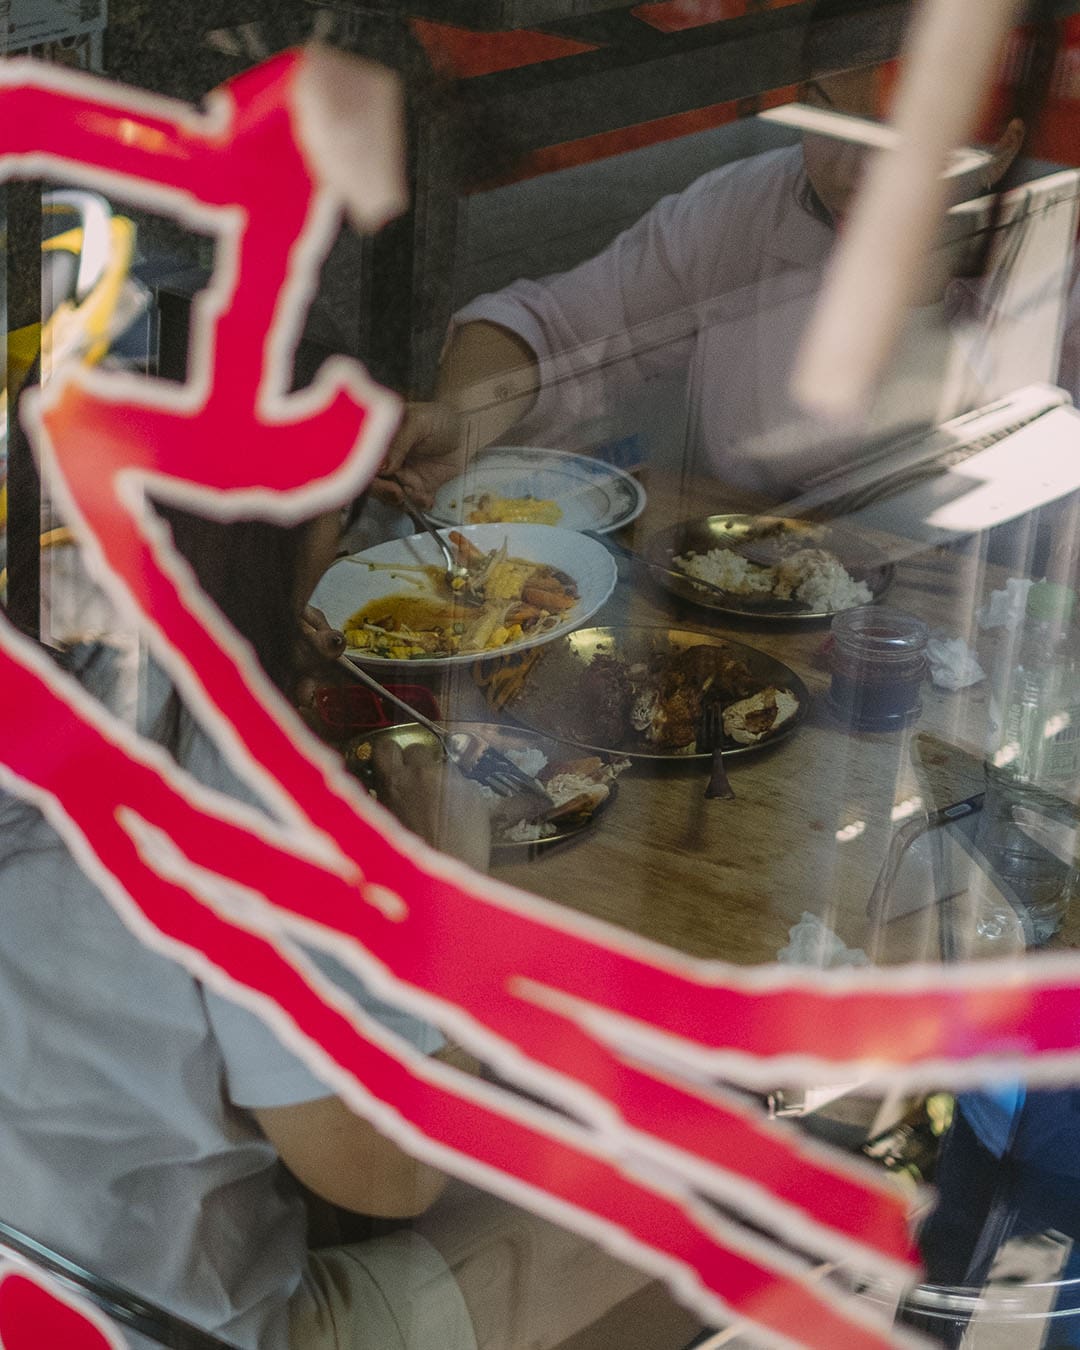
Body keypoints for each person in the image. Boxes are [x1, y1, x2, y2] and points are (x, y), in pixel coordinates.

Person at [0, 503, 698, 1350]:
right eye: (344, 518)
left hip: (40, 1285)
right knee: (681, 1216)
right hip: (182, 1329)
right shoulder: (220, 769)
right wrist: (448, 892)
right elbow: (394, 1171)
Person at [373, 25, 1025, 512]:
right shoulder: (747, 210)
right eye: (827, 114)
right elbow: (551, 328)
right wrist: (460, 420)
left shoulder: (1053, 266)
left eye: (894, 136)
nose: (847, 171)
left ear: (998, 146)